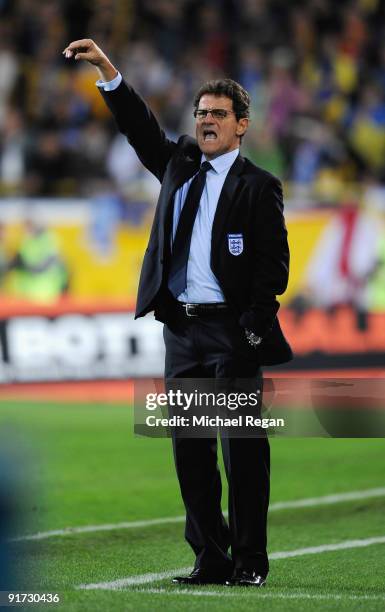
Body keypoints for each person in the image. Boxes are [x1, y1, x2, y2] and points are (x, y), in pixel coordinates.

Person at [63, 39, 292, 588]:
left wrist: (253, 326)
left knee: (242, 455)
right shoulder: (179, 166)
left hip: (233, 333)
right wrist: (108, 71)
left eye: (218, 114)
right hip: (182, 332)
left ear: (242, 125)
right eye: (201, 114)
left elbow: (273, 267)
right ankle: (210, 557)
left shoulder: (259, 186)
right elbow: (139, 128)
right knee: (190, 455)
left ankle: (249, 561)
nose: (207, 121)